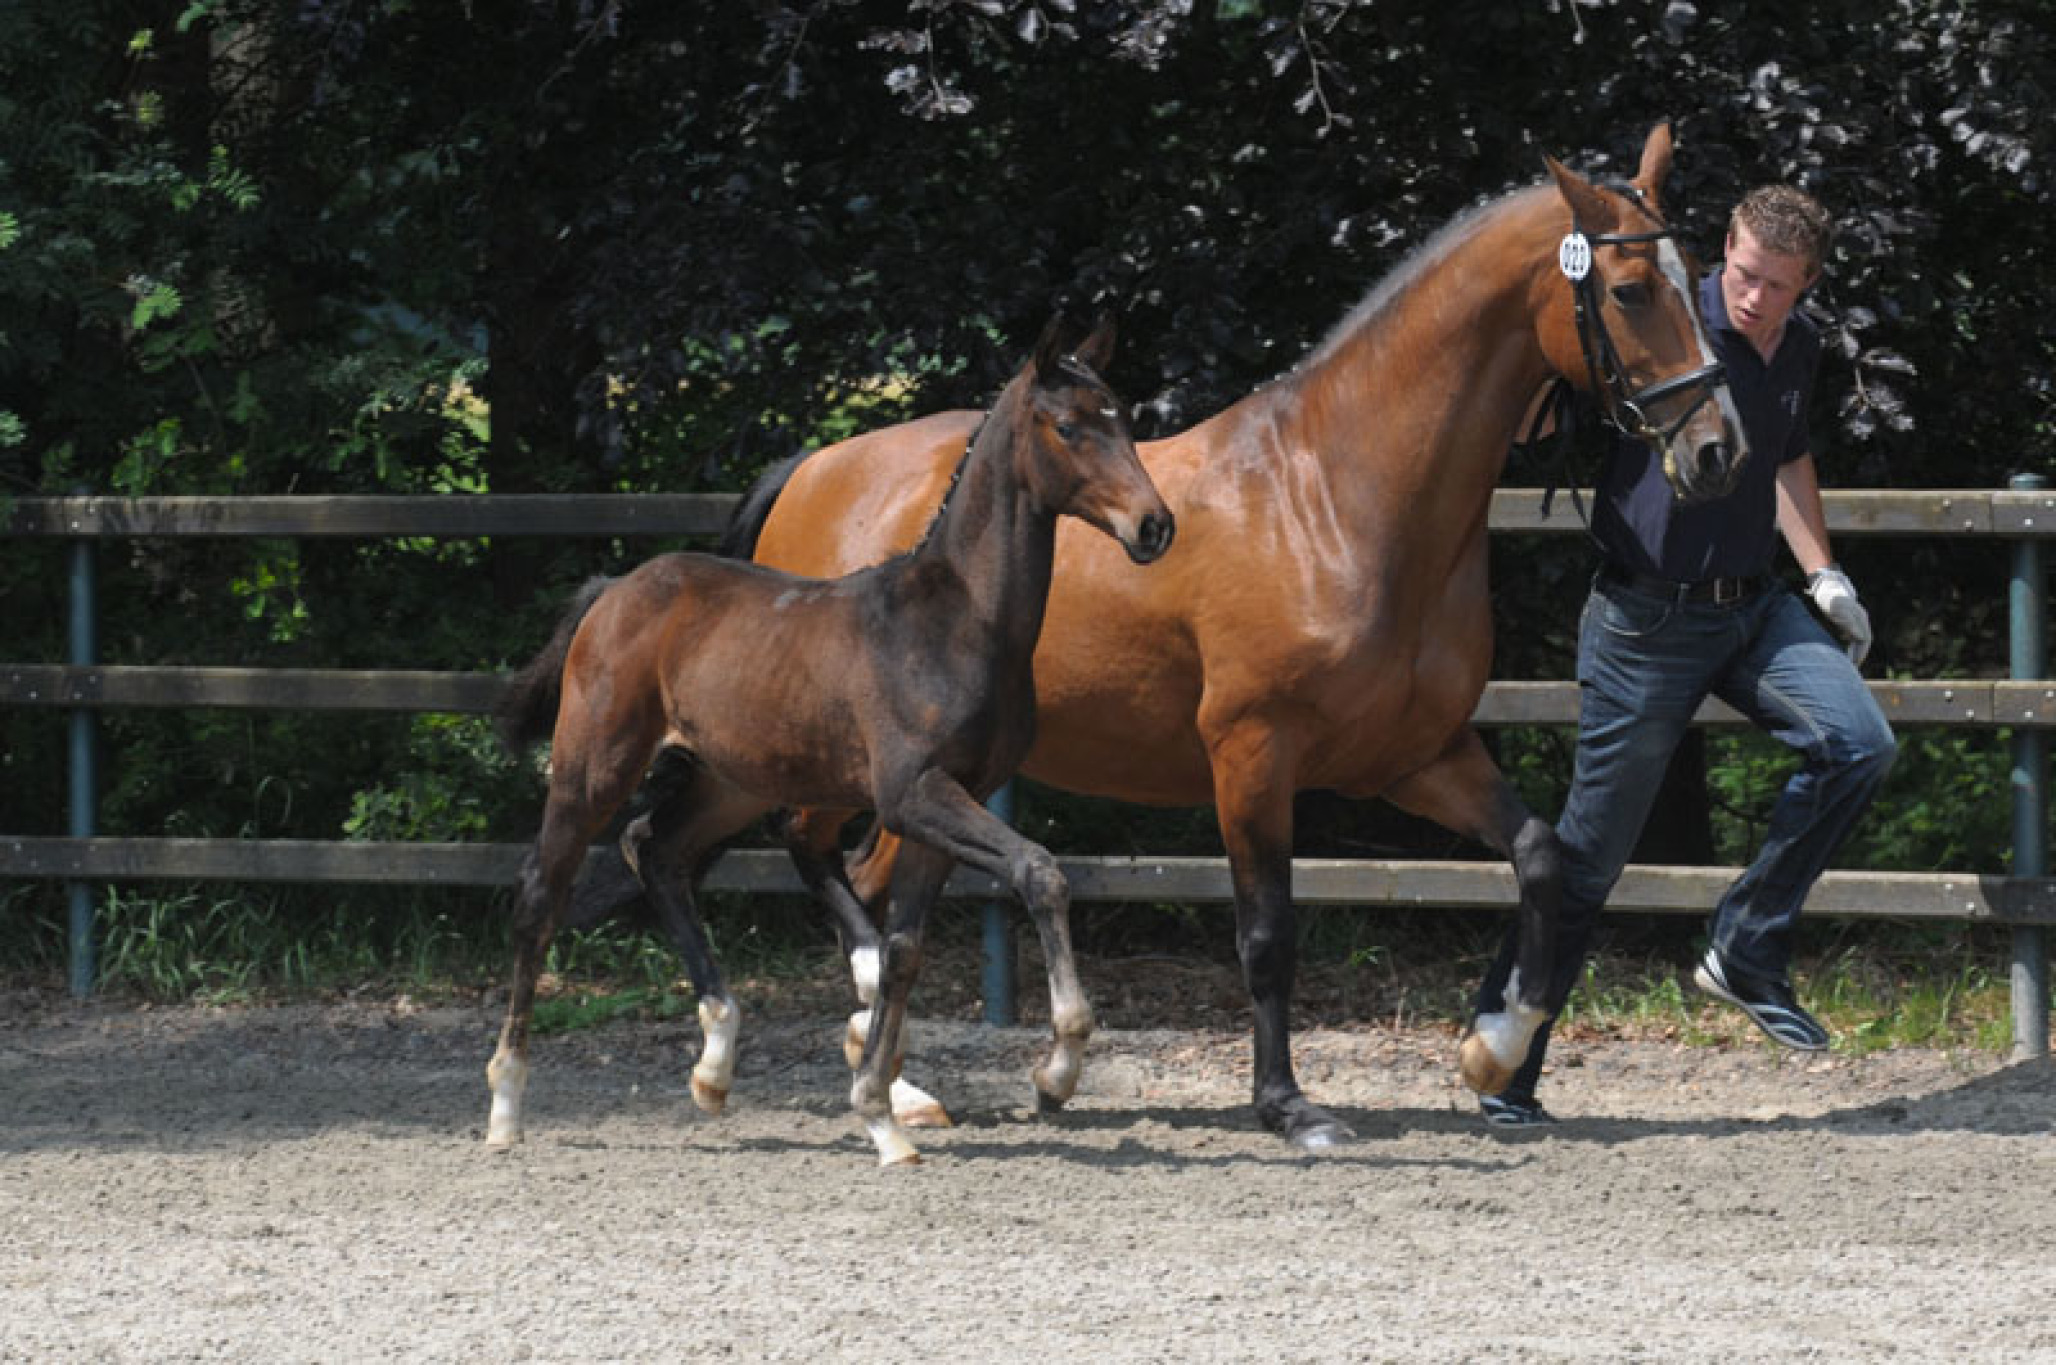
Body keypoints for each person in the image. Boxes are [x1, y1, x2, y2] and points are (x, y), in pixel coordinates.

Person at [1473, 184, 1900, 1127]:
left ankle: (1745, 946)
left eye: (1778, 286)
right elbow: (1533, 419)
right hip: (1645, 622)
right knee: (1588, 860)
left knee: (1861, 743)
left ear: (1806, 283)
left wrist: (1825, 573)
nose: (1754, 298)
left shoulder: (1799, 345)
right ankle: (1505, 1055)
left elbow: (1786, 455)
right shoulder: (1658, 316)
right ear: (1724, 254)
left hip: (1754, 608)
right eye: (1744, 275)